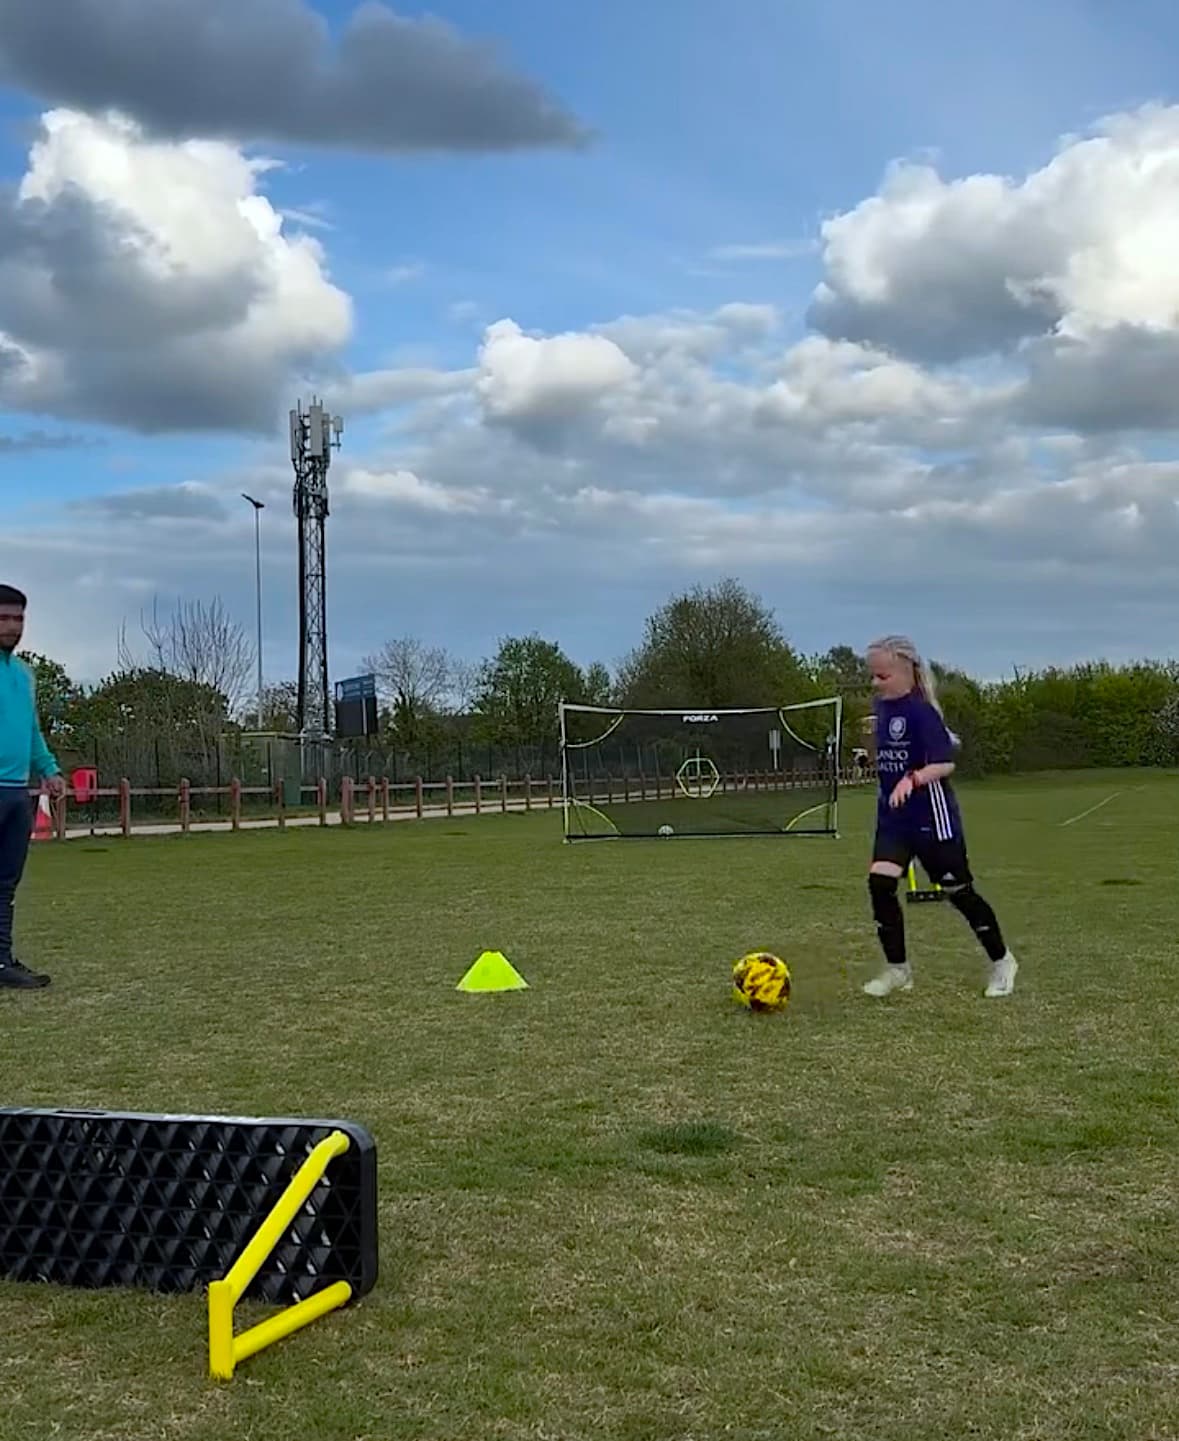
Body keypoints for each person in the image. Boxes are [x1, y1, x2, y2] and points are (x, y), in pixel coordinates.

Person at [863, 634, 1017, 999]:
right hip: (894, 818)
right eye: (872, 675)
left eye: (882, 676)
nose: (875, 683)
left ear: (906, 673)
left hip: (932, 819)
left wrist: (911, 779)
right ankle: (898, 969)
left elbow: (944, 763)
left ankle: (1002, 961)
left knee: (958, 892)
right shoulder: (882, 707)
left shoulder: (922, 712)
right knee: (880, 884)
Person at [0, 583, 65, 989]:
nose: (12, 626)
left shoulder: (24, 676)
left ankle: (1, 960)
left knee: (5, 882)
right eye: (3, 618)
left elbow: (32, 732)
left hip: (15, 793)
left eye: (18, 618)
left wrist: (49, 768)